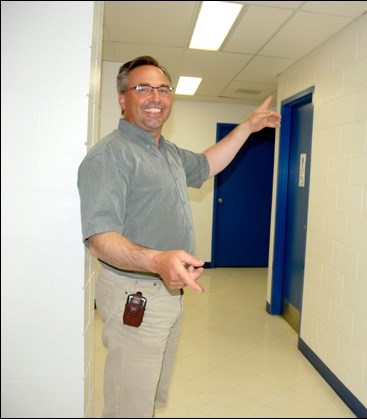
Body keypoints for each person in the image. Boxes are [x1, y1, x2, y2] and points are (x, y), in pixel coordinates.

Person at [77, 55, 281, 418]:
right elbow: (100, 237)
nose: (155, 96)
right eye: (142, 88)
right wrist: (157, 259)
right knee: (129, 402)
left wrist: (247, 127)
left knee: (149, 394)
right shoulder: (110, 156)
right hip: (134, 294)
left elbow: (207, 163)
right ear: (123, 99)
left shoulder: (165, 150)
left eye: (162, 89)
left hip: (166, 293)